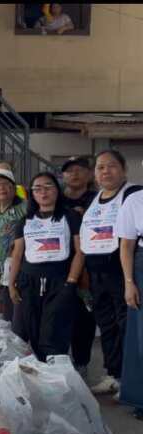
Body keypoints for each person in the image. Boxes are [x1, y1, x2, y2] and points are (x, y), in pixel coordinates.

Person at [81, 150, 142, 394]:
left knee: (127, 326)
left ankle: (131, 380)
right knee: (107, 325)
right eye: (100, 167)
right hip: (97, 273)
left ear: (124, 169)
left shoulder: (133, 195)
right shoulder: (94, 199)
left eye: (112, 166)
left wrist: (129, 279)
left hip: (122, 271)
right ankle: (113, 374)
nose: (106, 171)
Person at [8, 171, 83, 361]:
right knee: (33, 331)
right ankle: (43, 377)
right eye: (38, 188)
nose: (43, 192)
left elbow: (80, 251)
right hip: (29, 282)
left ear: (57, 190)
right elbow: (17, 254)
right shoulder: (24, 221)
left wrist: (71, 282)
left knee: (54, 332)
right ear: (31, 194)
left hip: (60, 281)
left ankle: (58, 372)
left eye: (48, 186)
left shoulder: (70, 216)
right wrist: (11, 284)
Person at [60, 156, 99, 378]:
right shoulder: (56, 200)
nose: (74, 174)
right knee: (59, 314)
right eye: (69, 170)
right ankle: (59, 361)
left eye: (80, 169)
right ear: (63, 175)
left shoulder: (98, 199)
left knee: (84, 316)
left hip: (89, 267)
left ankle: (82, 361)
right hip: (59, 265)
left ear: (89, 174)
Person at [0, 168, 28, 324]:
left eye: (5, 184)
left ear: (14, 188)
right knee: (8, 320)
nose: (1, 188)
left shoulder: (24, 208)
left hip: (22, 273)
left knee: (20, 321)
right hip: (3, 275)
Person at [117, 171, 143, 418]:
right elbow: (126, 245)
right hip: (141, 267)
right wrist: (129, 282)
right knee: (141, 337)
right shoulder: (135, 200)